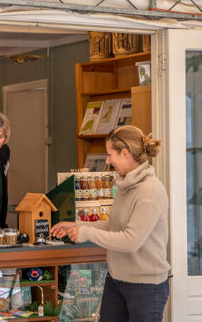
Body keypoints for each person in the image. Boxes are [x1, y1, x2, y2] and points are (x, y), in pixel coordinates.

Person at [51, 125, 170, 322]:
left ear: (125, 153)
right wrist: (76, 225)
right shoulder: (125, 186)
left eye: (109, 154)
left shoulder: (150, 191)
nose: (107, 161)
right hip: (116, 281)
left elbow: (131, 241)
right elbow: (114, 226)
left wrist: (86, 233)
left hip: (145, 287)